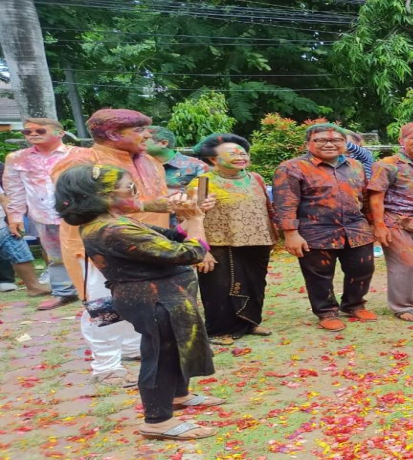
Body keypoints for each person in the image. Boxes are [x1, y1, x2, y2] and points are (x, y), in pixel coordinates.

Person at [55, 164, 221, 441]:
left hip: (163, 296)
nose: (136, 193)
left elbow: (172, 237)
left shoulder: (118, 221)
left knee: (175, 347)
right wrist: (197, 221)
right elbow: (191, 251)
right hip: (153, 300)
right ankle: (157, 421)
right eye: (130, 188)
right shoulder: (111, 229)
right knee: (161, 356)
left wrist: (192, 215)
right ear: (104, 195)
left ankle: (179, 395)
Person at [51, 108, 175, 386]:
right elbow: (76, 203)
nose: (148, 135)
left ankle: (132, 348)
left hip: (144, 243)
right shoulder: (82, 162)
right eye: (140, 130)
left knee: (139, 298)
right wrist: (146, 205)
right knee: (102, 304)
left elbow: (157, 199)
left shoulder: (150, 161)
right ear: (112, 134)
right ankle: (106, 366)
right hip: (97, 246)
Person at [274, 124, 376, 332]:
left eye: (336, 140)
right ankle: (326, 311)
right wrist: (290, 234)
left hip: (356, 229)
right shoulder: (292, 168)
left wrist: (373, 223)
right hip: (316, 231)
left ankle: (354, 304)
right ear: (308, 143)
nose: (329, 144)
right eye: (321, 140)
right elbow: (285, 203)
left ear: (345, 144)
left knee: (363, 268)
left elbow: (364, 197)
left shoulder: (355, 165)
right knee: (319, 275)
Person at [195, 134, 277, 344]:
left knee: (255, 283)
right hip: (220, 244)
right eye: (232, 153)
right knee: (219, 289)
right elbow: (192, 217)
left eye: (243, 153)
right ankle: (218, 330)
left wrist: (273, 234)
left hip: (258, 242)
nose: (240, 157)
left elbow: (267, 208)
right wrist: (201, 250)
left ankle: (250, 321)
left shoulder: (255, 178)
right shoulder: (203, 182)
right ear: (213, 159)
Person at [368, 123, 413, 323]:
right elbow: (376, 197)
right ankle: (403, 306)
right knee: (405, 261)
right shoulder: (387, 164)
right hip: (395, 221)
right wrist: (379, 225)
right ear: (402, 141)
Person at [3, 118, 75, 306]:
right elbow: (14, 191)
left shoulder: (79, 155)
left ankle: (102, 291)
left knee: (93, 250)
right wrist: (14, 217)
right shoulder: (16, 158)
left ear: (60, 133)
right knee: (54, 256)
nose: (33, 134)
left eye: (40, 131)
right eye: (27, 132)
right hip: (44, 215)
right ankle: (64, 292)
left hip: (80, 214)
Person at [0, 185, 50, 297]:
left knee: (21, 255)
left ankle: (34, 287)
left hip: (2, 225)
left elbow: (3, 200)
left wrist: (13, 220)